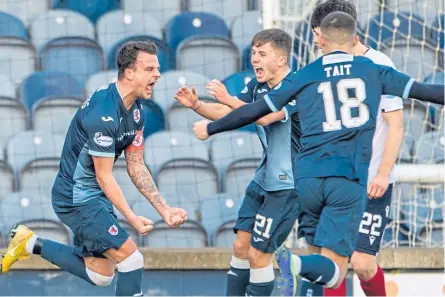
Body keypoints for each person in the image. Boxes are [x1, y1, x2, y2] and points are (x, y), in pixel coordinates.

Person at [192, 11, 444, 294]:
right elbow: (428, 91)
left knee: (323, 267)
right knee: (335, 272)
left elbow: (256, 110)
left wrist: (212, 129)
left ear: (320, 39)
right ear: (353, 38)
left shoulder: (307, 74)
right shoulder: (373, 70)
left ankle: (299, 267)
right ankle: (295, 263)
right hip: (346, 182)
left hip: (307, 182)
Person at [1, 41, 188, 296]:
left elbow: (135, 166)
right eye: (150, 68)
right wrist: (132, 218)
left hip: (92, 197)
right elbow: (104, 176)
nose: (157, 74)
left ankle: (30, 242)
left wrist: (164, 210)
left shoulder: (136, 112)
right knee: (132, 260)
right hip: (75, 198)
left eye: (157, 68)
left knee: (100, 275)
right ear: (129, 72)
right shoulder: (104, 114)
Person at [277, 1, 407, 296]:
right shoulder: (318, 68)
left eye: (316, 33)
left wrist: (383, 174)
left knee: (361, 262)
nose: (314, 39)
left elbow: (396, 125)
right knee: (332, 262)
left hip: (371, 180)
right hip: (335, 179)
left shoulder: (379, 64)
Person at [174, 28, 301, 296]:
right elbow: (229, 111)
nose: (255, 59)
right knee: (240, 248)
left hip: (289, 183)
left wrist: (226, 103)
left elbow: (265, 116)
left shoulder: (296, 86)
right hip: (264, 177)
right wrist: (197, 105)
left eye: (262, 53)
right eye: (253, 52)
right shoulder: (257, 86)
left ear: (281, 60)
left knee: (258, 254)